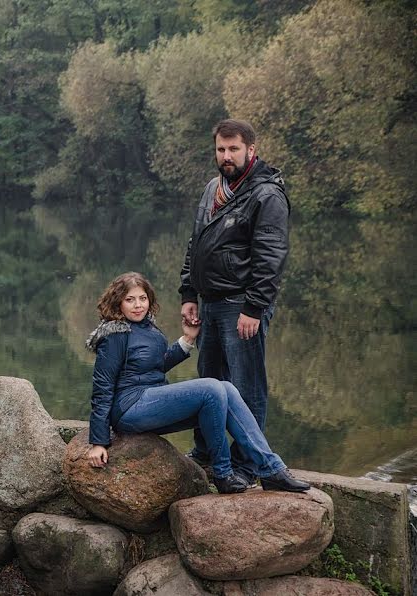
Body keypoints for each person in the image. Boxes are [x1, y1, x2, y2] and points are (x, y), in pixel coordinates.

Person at [86, 272, 308, 494]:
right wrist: (98, 441)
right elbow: (102, 388)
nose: (138, 305)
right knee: (211, 388)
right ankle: (223, 473)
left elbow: (155, 365)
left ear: (150, 299)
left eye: (142, 298)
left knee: (227, 389)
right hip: (129, 407)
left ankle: (271, 469)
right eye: (130, 300)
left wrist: (188, 339)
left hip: (151, 402)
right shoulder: (114, 334)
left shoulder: (148, 328)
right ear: (118, 302)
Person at [179, 119, 290, 485]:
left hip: (241, 306)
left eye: (234, 150)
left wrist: (254, 308)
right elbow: (196, 243)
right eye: (221, 150)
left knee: (247, 389)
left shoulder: (266, 195)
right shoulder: (215, 187)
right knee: (208, 383)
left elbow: (270, 257)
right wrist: (189, 293)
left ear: (251, 151)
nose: (226, 156)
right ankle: (208, 453)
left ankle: (248, 464)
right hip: (209, 303)